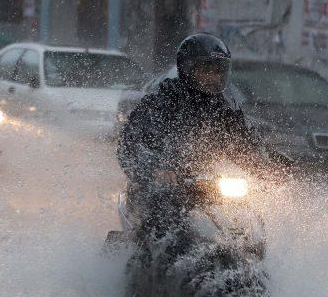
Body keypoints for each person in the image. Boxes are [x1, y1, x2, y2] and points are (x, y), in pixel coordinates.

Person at [117, 33, 287, 232]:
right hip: (158, 188)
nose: (214, 77)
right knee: (164, 226)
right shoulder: (161, 102)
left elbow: (246, 145)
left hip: (206, 187)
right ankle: (151, 259)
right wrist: (155, 169)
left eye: (219, 71)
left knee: (245, 221)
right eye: (207, 70)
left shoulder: (225, 108)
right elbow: (130, 146)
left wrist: (277, 169)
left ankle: (250, 258)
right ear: (187, 68)